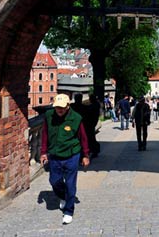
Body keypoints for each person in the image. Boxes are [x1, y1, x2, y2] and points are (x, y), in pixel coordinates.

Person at [40, 94, 90, 225]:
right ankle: (63, 196)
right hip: (55, 155)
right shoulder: (49, 116)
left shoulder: (76, 118)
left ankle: (68, 211)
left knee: (70, 184)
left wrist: (85, 155)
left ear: (68, 106)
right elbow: (45, 134)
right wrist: (43, 152)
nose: (59, 110)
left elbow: (83, 138)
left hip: (71, 155)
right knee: (54, 181)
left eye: (62, 107)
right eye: (57, 107)